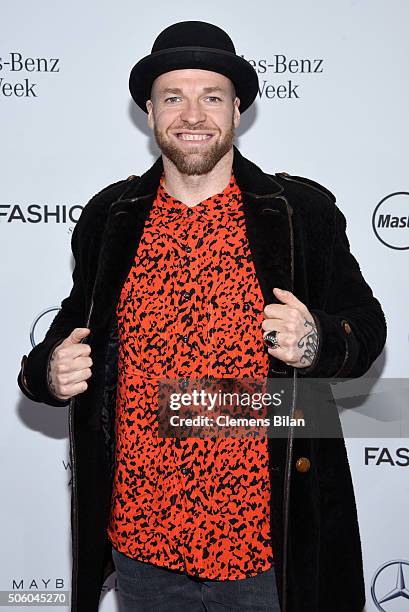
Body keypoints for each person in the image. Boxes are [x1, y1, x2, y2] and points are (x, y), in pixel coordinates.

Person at [17, 20, 387, 612]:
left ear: (237, 109)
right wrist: (45, 371)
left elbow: (366, 324)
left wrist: (320, 340)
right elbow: (72, 323)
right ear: (149, 111)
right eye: (173, 98)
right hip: (142, 543)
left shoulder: (298, 213)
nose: (192, 115)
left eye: (211, 97)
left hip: (267, 547)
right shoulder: (111, 216)